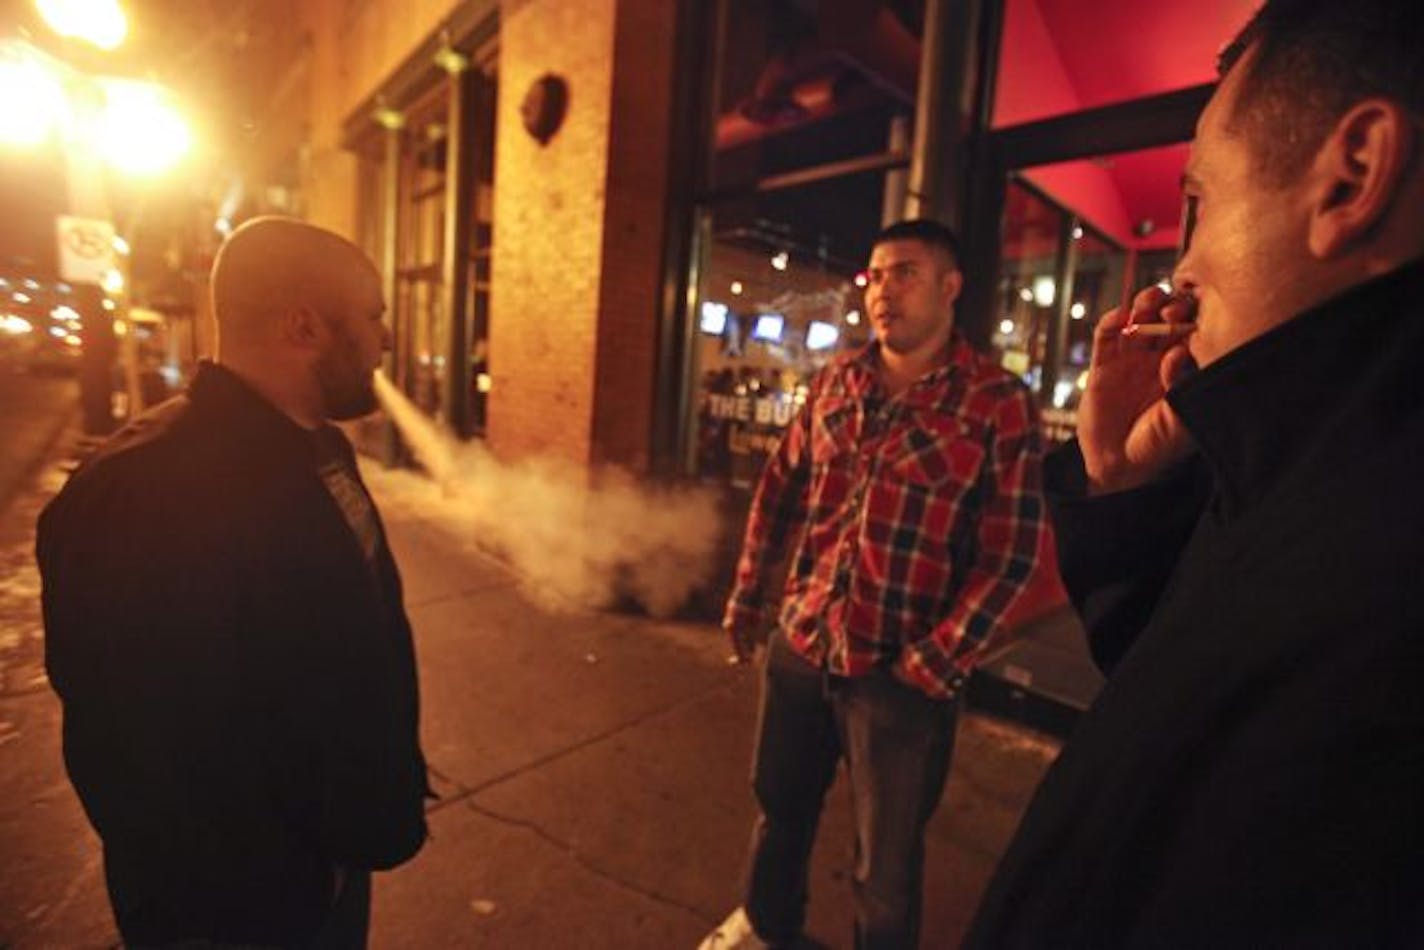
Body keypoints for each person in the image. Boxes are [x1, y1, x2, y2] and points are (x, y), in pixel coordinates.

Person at [965, 0, 1424, 944]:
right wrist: (1120, 487)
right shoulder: (1306, 460)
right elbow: (1177, 696)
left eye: (1200, 201)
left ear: (1354, 177)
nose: (1183, 265)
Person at [37, 217, 430, 947]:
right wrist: (279, 882)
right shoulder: (146, 489)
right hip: (237, 909)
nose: (385, 340)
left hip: (325, 862)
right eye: (374, 317)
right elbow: (138, 747)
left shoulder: (319, 446)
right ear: (303, 325)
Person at [701, 219, 1049, 949]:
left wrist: (938, 658)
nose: (883, 291)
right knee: (779, 810)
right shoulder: (835, 382)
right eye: (876, 275)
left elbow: (1011, 553)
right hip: (803, 644)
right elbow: (779, 492)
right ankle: (766, 930)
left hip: (901, 672)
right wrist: (751, 595)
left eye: (905, 273)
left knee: (885, 867)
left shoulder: (997, 402)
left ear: (951, 287)